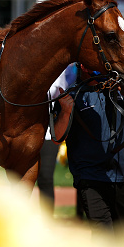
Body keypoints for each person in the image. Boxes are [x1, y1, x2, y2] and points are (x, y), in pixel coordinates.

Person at [53, 63, 124, 247]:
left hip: (123, 176)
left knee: (120, 238)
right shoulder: (73, 94)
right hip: (91, 178)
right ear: (82, 66)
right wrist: (65, 112)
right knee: (103, 236)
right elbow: (57, 137)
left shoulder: (122, 88)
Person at [37, 63, 77, 217]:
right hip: (25, 130)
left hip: (48, 130)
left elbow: (60, 92)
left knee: (45, 177)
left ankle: (47, 222)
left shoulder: (59, 69)